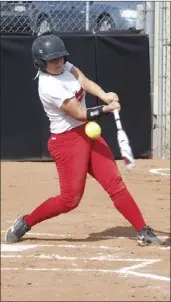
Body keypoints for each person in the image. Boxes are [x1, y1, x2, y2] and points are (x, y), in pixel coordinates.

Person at [5, 34, 161, 245]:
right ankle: (26, 221)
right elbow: (79, 113)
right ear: (41, 63)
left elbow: (84, 81)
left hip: (87, 133)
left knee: (114, 183)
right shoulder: (49, 87)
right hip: (66, 142)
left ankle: (143, 230)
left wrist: (105, 95)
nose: (59, 62)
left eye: (61, 57)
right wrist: (107, 108)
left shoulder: (66, 66)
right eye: (53, 60)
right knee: (70, 200)